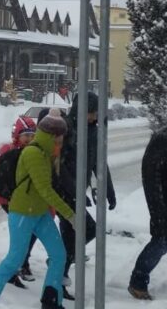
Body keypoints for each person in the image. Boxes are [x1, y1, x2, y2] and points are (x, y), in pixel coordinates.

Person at [0, 108, 75, 309]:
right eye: (59, 138)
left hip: (39, 213)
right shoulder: (33, 153)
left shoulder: (47, 153)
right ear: (52, 136)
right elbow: (45, 189)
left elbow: (49, 188)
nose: (61, 143)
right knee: (15, 258)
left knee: (58, 255)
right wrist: (70, 214)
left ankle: (51, 301)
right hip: (22, 213)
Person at [58, 92, 116, 298]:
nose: (94, 117)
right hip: (64, 193)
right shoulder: (67, 129)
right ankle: (59, 269)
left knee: (74, 236)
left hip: (76, 193)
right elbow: (58, 165)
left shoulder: (94, 132)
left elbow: (100, 163)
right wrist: (73, 190)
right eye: (91, 112)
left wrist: (109, 191)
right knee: (86, 230)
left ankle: (59, 271)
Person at [0, 116, 39, 287]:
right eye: (26, 135)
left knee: (30, 231)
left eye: (32, 135)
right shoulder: (7, 150)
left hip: (26, 200)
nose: (29, 139)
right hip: (9, 199)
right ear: (17, 135)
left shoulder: (34, 151)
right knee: (23, 233)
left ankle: (21, 263)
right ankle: (15, 268)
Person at [128, 125, 167, 300]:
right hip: (161, 201)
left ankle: (138, 280)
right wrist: (158, 210)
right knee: (161, 241)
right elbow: (151, 177)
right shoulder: (161, 141)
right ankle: (138, 282)